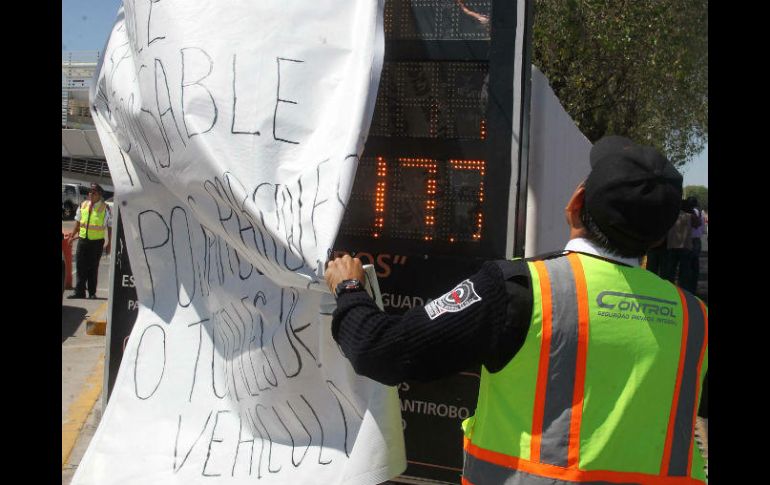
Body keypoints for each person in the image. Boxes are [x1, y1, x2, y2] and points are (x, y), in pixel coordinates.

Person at [325, 136, 708, 484]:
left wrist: (350, 289)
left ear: (576, 205)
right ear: (659, 238)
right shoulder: (696, 319)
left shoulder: (518, 290)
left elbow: (383, 350)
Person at [66, 183, 112, 299]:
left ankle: (92, 293)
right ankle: (79, 292)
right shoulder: (83, 205)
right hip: (83, 241)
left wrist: (109, 243)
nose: (90, 194)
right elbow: (78, 222)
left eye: (94, 192)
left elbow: (109, 226)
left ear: (99, 195)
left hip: (96, 243)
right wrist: (72, 235)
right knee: (80, 267)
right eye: (90, 192)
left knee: (92, 267)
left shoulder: (105, 208)